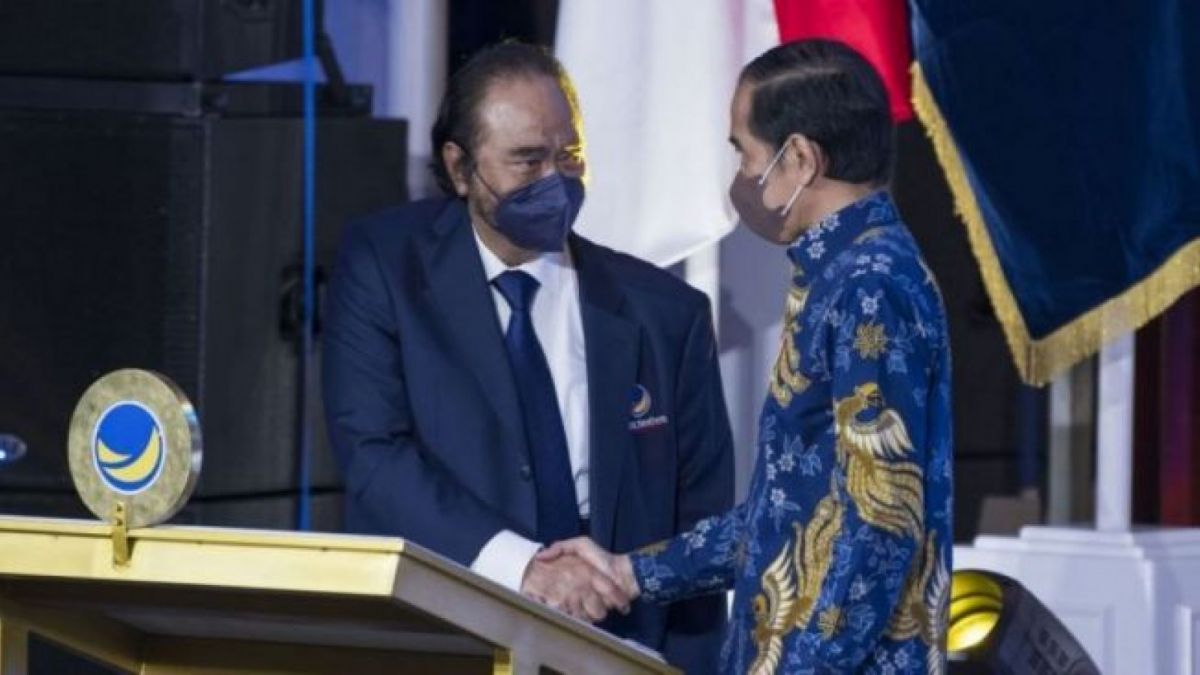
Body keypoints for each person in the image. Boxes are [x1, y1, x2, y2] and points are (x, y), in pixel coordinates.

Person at [542, 39, 954, 673]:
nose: (739, 173)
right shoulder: (841, 273)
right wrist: (628, 572)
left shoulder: (870, 285)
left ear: (800, 159)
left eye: (745, 153)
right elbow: (785, 513)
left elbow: (878, 524)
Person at [321, 42, 732, 673]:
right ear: (460, 168)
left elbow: (701, 516)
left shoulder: (666, 313)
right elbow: (375, 455)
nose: (553, 181)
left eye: (568, 157)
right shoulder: (383, 266)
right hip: (443, 635)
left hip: (620, 647)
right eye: (526, 160)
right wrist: (526, 570)